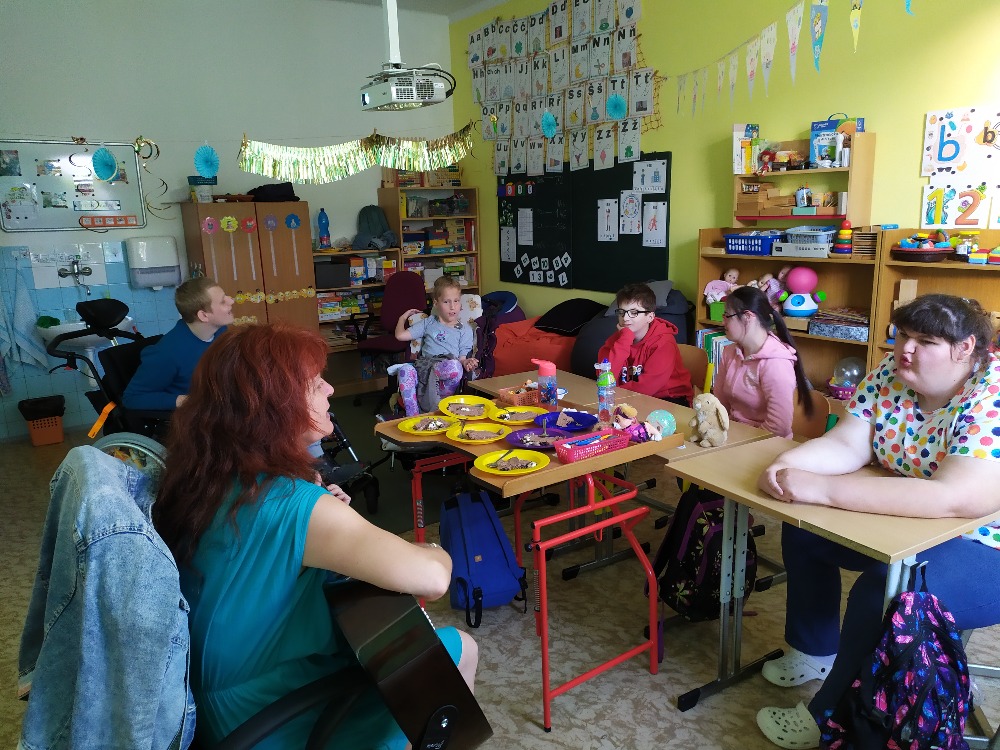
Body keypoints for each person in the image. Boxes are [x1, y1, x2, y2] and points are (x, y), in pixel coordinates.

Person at [153, 322, 478, 749]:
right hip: (267, 717)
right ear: (274, 407)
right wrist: (434, 549)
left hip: (212, 699)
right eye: (314, 383)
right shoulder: (292, 502)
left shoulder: (209, 474)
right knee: (459, 648)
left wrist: (324, 516)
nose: (330, 389)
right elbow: (432, 579)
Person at [753, 294, 1000, 750]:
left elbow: (957, 498)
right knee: (805, 532)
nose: (906, 349)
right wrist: (788, 465)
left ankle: (827, 717)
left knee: (884, 591)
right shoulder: (893, 372)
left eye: (925, 341)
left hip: (984, 546)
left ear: (965, 348)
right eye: (902, 335)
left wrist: (823, 489)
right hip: (910, 518)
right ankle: (814, 652)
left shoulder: (992, 395)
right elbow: (849, 444)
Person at [714, 285, 813, 439]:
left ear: (747, 316)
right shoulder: (730, 352)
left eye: (727, 316)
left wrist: (739, 441)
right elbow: (719, 404)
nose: (723, 322)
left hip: (766, 443)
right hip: (733, 435)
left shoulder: (776, 362)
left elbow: (778, 427)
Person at [122, 276, 233, 410]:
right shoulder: (167, 353)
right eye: (223, 301)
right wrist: (188, 401)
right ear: (204, 316)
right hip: (198, 414)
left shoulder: (220, 331)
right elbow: (132, 398)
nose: (231, 301)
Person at [392, 275, 478, 416]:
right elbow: (400, 336)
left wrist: (467, 362)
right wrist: (402, 318)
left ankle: (432, 407)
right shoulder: (429, 323)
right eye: (446, 302)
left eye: (456, 301)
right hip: (425, 368)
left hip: (445, 372)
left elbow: (462, 359)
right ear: (436, 303)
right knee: (405, 370)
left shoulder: (465, 329)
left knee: (455, 366)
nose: (452, 307)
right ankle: (414, 416)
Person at [597, 282, 693, 406]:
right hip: (630, 397)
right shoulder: (617, 340)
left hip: (670, 397)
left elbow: (648, 387)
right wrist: (625, 339)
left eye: (634, 312)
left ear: (650, 316)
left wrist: (614, 393)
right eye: (621, 312)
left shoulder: (664, 342)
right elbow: (604, 378)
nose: (625, 318)